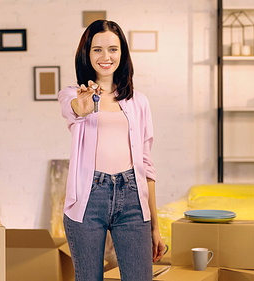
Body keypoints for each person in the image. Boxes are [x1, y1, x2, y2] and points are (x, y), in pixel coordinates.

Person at [58, 19, 165, 281]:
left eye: (113, 49)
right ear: (87, 53)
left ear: (122, 53)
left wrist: (155, 226)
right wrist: (81, 107)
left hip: (132, 199)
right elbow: (71, 109)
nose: (106, 57)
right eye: (97, 49)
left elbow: (146, 165)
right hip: (88, 200)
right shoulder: (74, 95)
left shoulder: (138, 101)